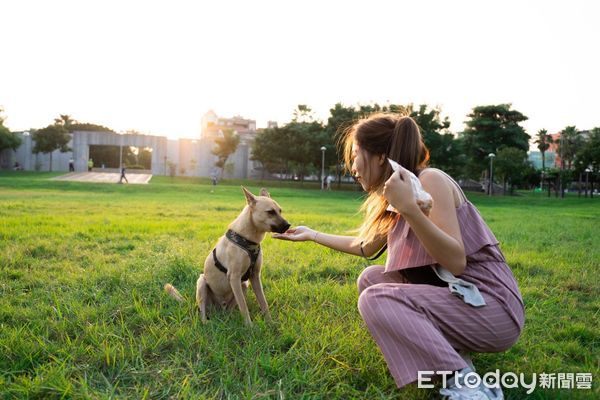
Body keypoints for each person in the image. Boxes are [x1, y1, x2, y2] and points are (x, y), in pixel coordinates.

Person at [273, 114, 524, 399]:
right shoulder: (398, 193)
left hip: (493, 308)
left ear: (379, 157)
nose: (352, 167)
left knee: (376, 297)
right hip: (464, 300)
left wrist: (410, 209)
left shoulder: (430, 180)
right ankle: (457, 359)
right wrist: (313, 235)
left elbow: (456, 262)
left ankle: (469, 388)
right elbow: (366, 247)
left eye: (356, 155)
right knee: (371, 279)